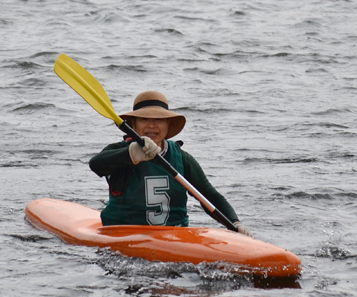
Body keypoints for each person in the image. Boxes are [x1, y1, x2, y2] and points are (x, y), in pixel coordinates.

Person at [88, 91, 252, 235]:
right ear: (134, 124)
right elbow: (96, 165)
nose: (152, 125)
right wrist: (131, 154)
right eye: (144, 119)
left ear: (168, 125)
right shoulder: (119, 151)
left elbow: (208, 196)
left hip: (173, 235)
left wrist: (234, 222)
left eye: (159, 119)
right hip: (124, 232)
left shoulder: (182, 159)